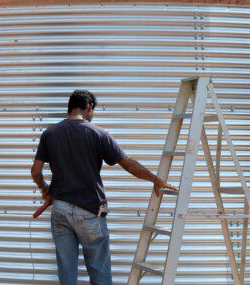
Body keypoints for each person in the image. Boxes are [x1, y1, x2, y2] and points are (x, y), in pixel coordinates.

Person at [31, 90, 178, 285]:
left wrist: (45, 190)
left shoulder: (50, 134)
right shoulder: (98, 134)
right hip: (90, 213)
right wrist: (155, 180)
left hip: (61, 211)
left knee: (67, 277)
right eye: (93, 111)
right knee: (100, 275)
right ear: (89, 107)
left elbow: (35, 171)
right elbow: (129, 165)